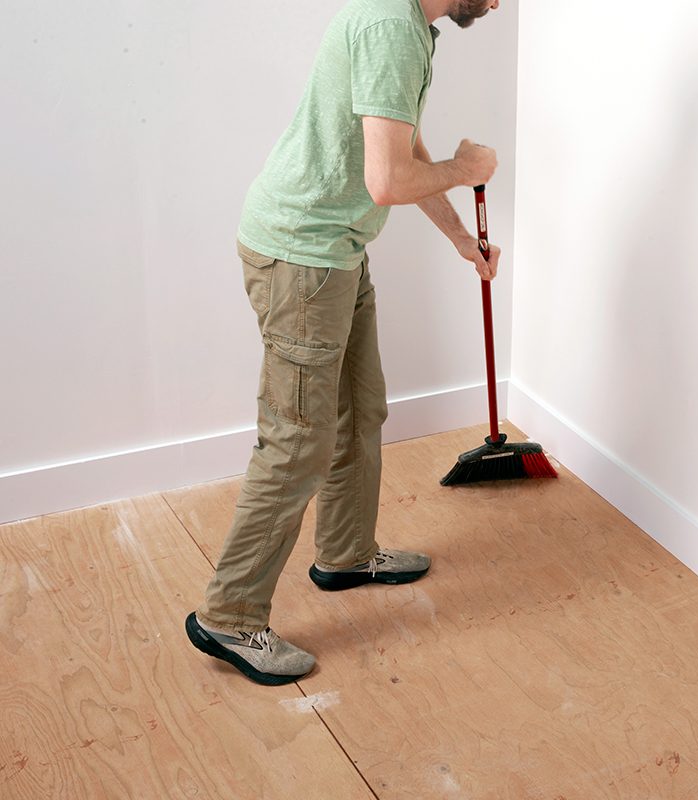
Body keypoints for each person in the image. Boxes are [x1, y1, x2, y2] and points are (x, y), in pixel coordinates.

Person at [184, 0, 503, 686]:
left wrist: (459, 238)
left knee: (359, 408)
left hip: (334, 253)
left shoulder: (407, 23)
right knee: (297, 439)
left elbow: (401, 150)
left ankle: (346, 553)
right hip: (302, 258)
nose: (499, 2)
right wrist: (465, 166)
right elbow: (387, 182)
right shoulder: (391, 27)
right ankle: (229, 614)